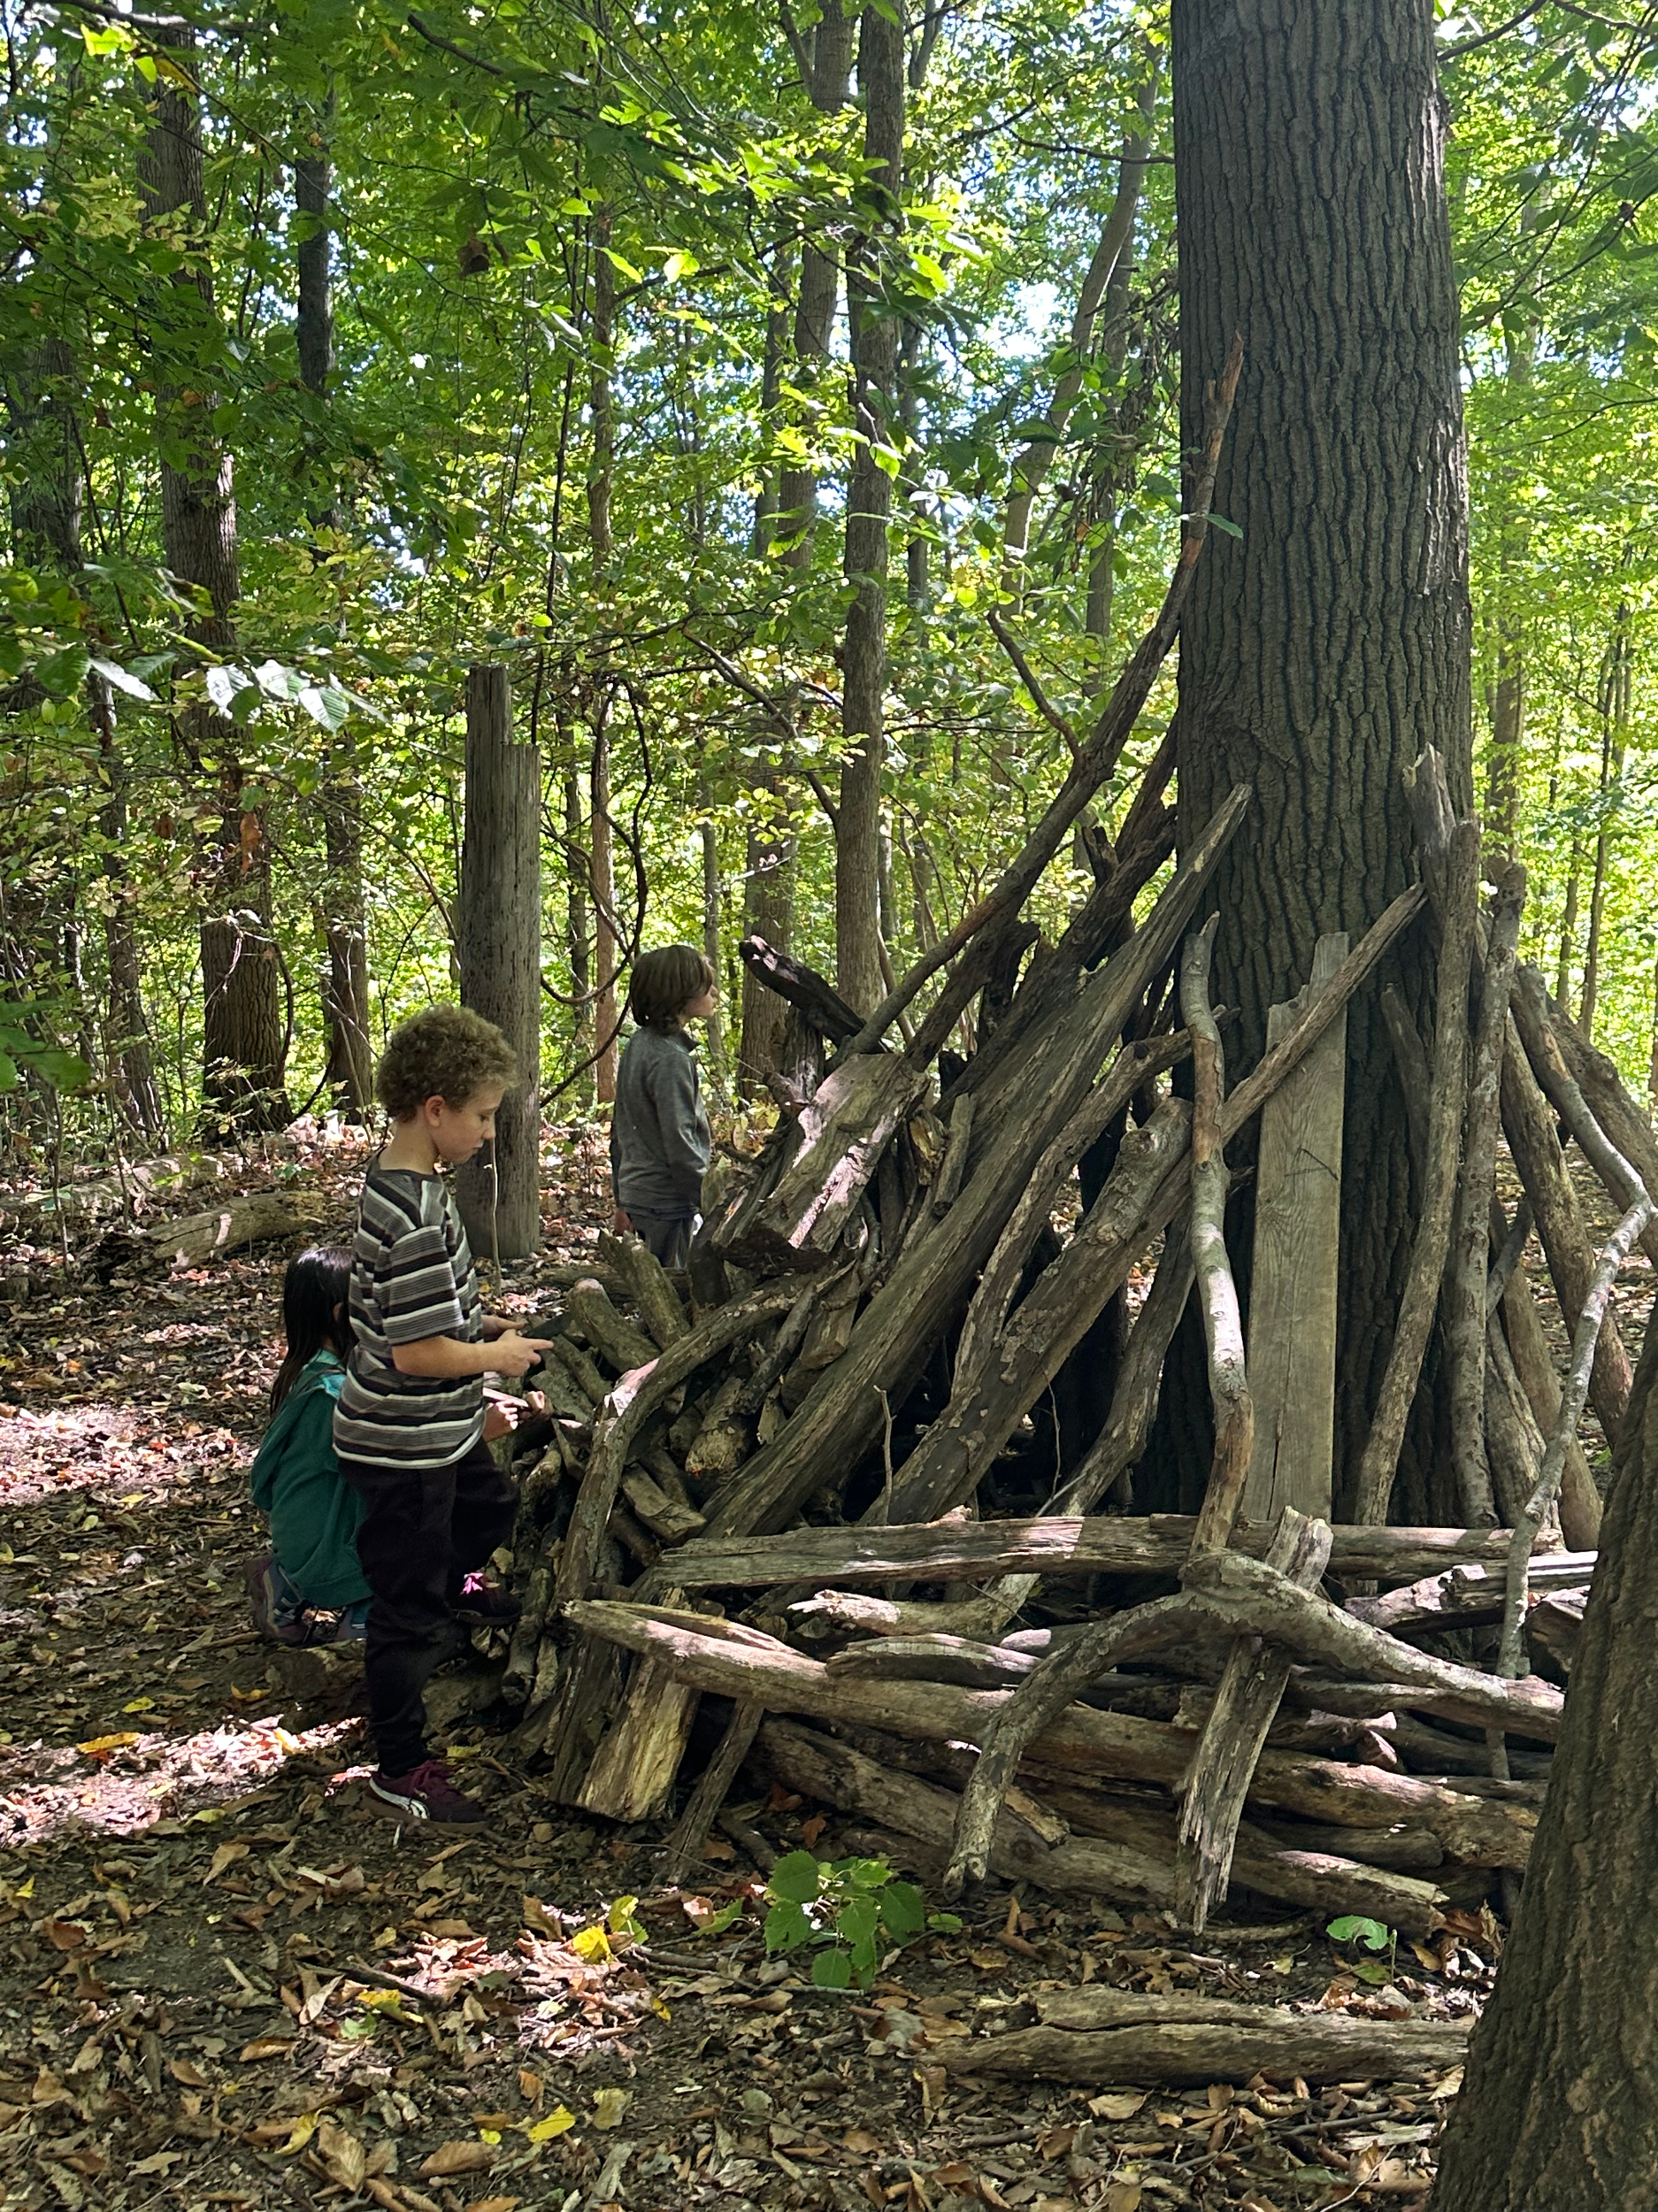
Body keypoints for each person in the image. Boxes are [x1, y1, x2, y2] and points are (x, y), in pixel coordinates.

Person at [334, 1004, 553, 1824]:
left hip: (438, 1433)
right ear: (436, 1110)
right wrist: (495, 1357)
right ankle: (400, 1765)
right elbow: (415, 1355)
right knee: (405, 1611)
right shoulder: (419, 1214)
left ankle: (459, 1582)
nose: (489, 1134)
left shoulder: (404, 1182)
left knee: (490, 1504)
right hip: (401, 1446)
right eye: (484, 1116)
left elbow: (414, 1317)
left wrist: (483, 1328)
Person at [244, 1247, 372, 1647]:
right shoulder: (330, 1397)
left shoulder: (309, 1371)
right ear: (340, 1315)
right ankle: (367, 1619)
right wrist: (475, 1432)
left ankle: (285, 1584)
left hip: (302, 1538)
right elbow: (389, 1464)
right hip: (321, 1551)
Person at [610, 943, 717, 1269]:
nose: (713, 992)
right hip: (667, 1203)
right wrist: (713, 1201)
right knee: (671, 1294)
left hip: (642, 1196)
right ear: (678, 994)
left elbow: (619, 1135)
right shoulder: (670, 1058)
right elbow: (680, 1144)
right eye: (704, 985)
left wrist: (622, 1197)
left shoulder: (639, 1045)